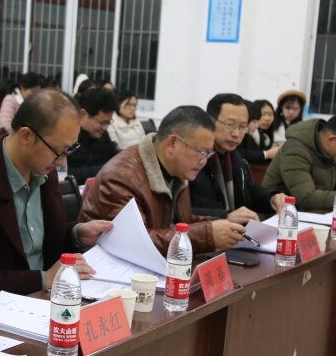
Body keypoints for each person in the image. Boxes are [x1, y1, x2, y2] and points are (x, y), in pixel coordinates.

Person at [0, 89, 112, 294]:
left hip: (48, 296)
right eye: (59, 151)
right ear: (26, 136)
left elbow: (41, 240)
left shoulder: (45, 172)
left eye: (69, 150)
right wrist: (44, 279)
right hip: (2, 305)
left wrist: (76, 234)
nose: (63, 162)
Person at [79, 106, 247, 255]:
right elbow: (134, 244)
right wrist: (207, 235)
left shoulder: (178, 171)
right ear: (172, 143)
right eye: (201, 152)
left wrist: (222, 225)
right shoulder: (122, 177)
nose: (204, 161)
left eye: (208, 153)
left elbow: (181, 222)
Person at [190, 93, 284, 220]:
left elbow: (251, 191)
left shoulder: (234, 157)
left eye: (243, 127)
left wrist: (271, 199)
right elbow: (181, 211)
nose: (236, 134)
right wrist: (225, 216)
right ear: (210, 122)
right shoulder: (193, 158)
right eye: (230, 125)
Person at [262, 115, 336, 211]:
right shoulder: (295, 151)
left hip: (310, 215)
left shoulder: (331, 153)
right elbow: (307, 198)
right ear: (332, 139)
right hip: (279, 218)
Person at [67, 88, 118, 183]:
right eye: (101, 122)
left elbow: (116, 159)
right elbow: (63, 173)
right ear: (83, 114)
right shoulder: (66, 137)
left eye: (108, 123)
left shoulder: (103, 136)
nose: (105, 128)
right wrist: (104, 170)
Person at [239, 100, 279, 164]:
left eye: (271, 114)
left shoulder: (265, 136)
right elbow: (240, 153)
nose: (267, 118)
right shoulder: (243, 134)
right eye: (264, 114)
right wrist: (267, 154)